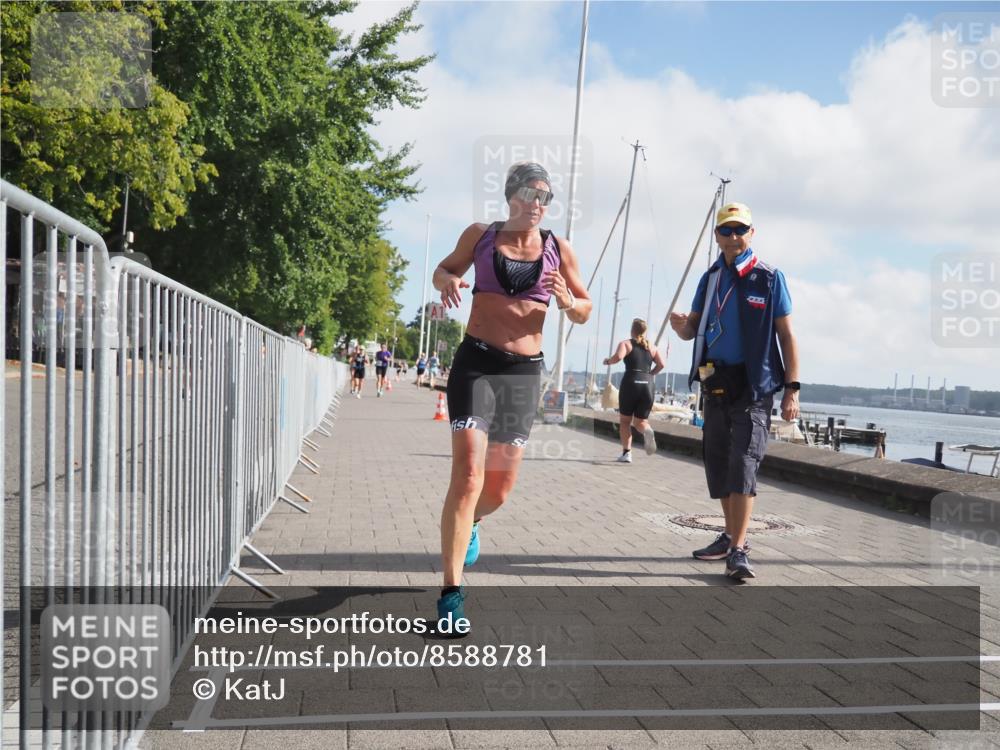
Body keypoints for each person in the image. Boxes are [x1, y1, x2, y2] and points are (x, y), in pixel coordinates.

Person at [431, 161, 591, 629]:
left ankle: (474, 522)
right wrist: (447, 283)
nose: (540, 204)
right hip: (476, 364)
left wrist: (567, 302)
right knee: (468, 476)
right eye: (532, 193)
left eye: (547, 197)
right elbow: (444, 270)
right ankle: (451, 593)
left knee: (498, 490)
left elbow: (585, 307)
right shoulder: (481, 235)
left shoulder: (559, 249)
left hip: (523, 374)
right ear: (512, 196)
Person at [669, 202, 800, 581]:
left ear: (752, 233)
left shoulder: (769, 278)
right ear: (716, 236)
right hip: (715, 382)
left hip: (753, 384)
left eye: (740, 229)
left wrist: (793, 389)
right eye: (726, 230)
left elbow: (787, 335)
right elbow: (693, 329)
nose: (733, 237)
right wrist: (680, 326)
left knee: (744, 464)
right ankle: (729, 536)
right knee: (720, 462)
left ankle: (740, 549)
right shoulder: (709, 278)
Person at [603, 318, 666, 463]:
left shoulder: (626, 343)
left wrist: (608, 361)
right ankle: (647, 431)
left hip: (631, 382)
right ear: (645, 331)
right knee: (640, 422)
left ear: (632, 329)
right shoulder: (652, 347)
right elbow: (662, 364)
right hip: (648, 384)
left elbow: (618, 357)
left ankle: (627, 453)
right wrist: (651, 374)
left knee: (625, 421)